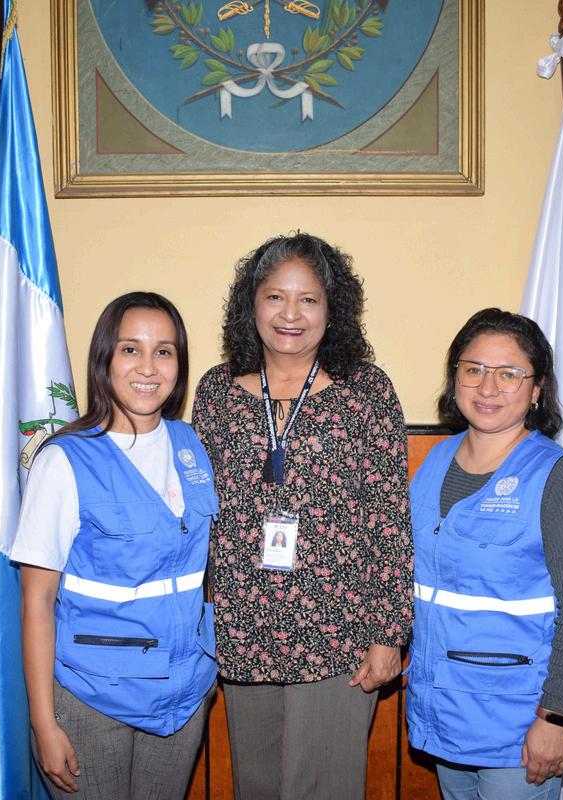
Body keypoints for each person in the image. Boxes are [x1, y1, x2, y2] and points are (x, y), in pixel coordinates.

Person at [193, 232, 413, 800]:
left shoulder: (366, 391)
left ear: (332, 309)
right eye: (275, 296)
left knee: (326, 789)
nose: (290, 314)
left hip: (340, 632)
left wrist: (389, 633)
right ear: (251, 304)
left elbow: (390, 517)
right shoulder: (216, 392)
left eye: (308, 299)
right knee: (256, 787)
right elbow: (197, 513)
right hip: (244, 627)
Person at [12, 292, 218, 798]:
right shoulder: (64, 461)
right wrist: (43, 722)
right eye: (131, 349)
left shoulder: (191, 446)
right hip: (92, 698)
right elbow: (37, 600)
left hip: (182, 696)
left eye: (164, 351)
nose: (148, 367)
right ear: (105, 359)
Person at [405, 309, 563, 800]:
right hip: (445, 713)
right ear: (455, 378)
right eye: (473, 369)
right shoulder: (435, 462)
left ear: (537, 389)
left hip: (519, 725)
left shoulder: (557, 478)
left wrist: (556, 716)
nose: (487, 387)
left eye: (509, 374)